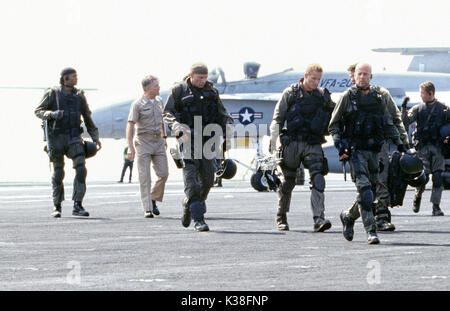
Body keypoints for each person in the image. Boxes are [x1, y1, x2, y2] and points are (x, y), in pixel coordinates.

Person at [329, 63, 407, 244]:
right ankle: (371, 231)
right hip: (356, 152)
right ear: (354, 76)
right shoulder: (347, 97)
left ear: (371, 77)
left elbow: (388, 123)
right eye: (359, 74)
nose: (362, 77)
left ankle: (348, 216)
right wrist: (340, 145)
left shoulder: (380, 97)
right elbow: (334, 124)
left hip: (376, 151)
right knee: (364, 192)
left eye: (366, 74)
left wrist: (400, 144)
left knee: (370, 193)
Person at [163, 62, 233, 232]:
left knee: (208, 180)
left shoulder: (212, 92)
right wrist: (177, 128)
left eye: (205, 78)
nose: (202, 81)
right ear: (191, 75)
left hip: (208, 141)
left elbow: (222, 113)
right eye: (199, 78)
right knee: (191, 179)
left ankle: (189, 203)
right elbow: (168, 113)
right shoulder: (179, 90)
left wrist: (228, 127)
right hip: (187, 140)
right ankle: (199, 219)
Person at [269, 64, 335, 232]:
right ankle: (281, 216)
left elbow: (335, 118)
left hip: (313, 143)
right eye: (313, 78)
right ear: (306, 76)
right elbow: (277, 119)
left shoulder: (323, 96)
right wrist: (275, 142)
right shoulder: (291, 93)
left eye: (318, 79)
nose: (315, 82)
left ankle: (319, 219)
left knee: (318, 179)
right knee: (288, 182)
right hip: (292, 143)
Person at [35, 67, 101, 218]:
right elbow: (38, 111)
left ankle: (77, 204)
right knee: (58, 173)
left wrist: (95, 137)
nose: (76, 79)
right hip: (56, 138)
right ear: (65, 78)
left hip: (74, 138)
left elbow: (87, 117)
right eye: (73, 76)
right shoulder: (52, 93)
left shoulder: (79, 96)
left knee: (81, 169)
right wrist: (52, 114)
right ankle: (57, 205)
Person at [401, 81, 449, 216]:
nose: (421, 96)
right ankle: (418, 194)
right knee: (423, 177)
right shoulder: (418, 109)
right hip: (423, 148)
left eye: (422, 93)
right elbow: (405, 121)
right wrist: (404, 108)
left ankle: (436, 206)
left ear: (431, 93)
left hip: (438, 148)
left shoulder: (444, 109)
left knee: (438, 178)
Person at [127, 75, 169, 218]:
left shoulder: (159, 101)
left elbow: (162, 120)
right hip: (143, 142)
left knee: (163, 174)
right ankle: (148, 208)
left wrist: (164, 137)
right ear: (148, 88)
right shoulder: (137, 104)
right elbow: (130, 124)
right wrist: (130, 147)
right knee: (145, 176)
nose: (159, 88)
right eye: (156, 85)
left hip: (158, 142)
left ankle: (153, 198)